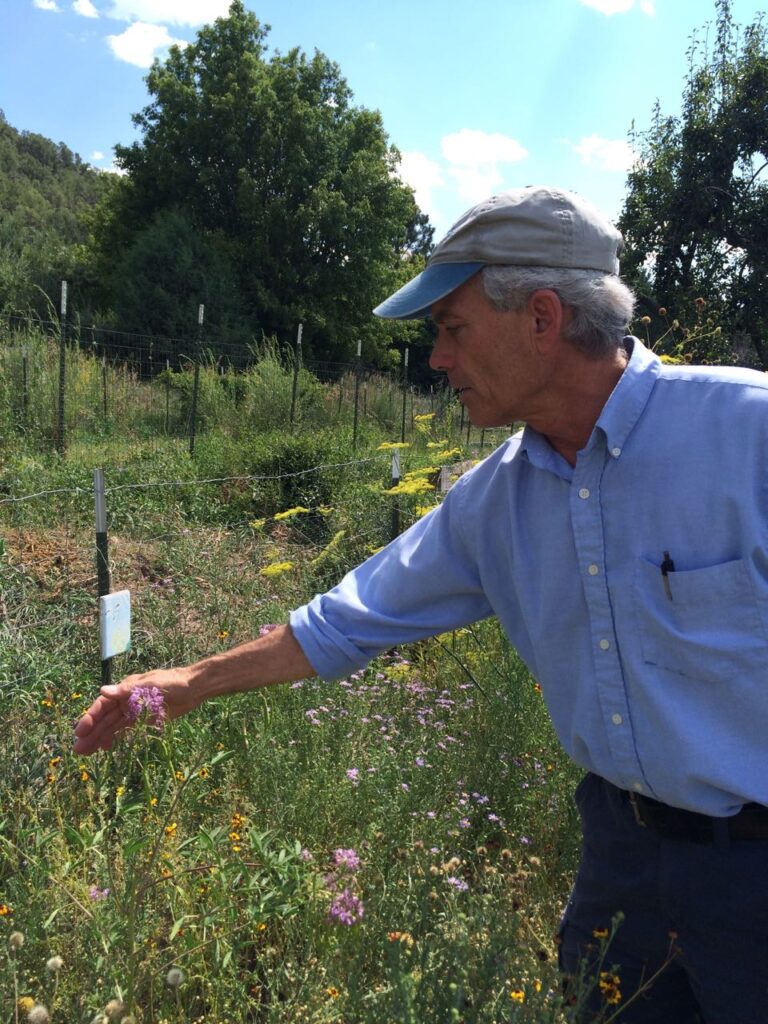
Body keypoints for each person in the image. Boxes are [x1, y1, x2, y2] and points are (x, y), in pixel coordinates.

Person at [74, 186, 768, 1023]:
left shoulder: (748, 434)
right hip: (620, 863)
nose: (437, 359)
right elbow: (346, 619)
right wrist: (187, 682)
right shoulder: (495, 502)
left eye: (452, 328)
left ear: (542, 318)